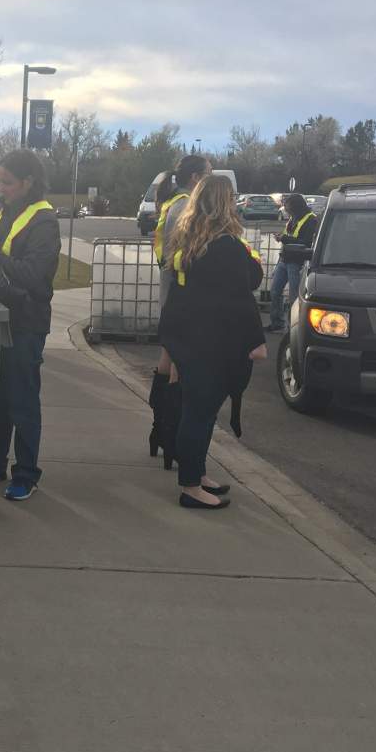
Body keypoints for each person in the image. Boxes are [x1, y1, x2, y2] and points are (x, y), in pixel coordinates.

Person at [158, 174, 267, 510]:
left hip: (189, 336)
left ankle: (198, 474)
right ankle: (190, 486)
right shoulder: (226, 246)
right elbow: (241, 296)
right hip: (212, 342)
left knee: (197, 410)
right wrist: (257, 340)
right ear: (225, 203)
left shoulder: (189, 239)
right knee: (199, 413)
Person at [0, 149, 61, 502]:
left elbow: (34, 276)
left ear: (28, 183)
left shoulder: (45, 222)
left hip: (26, 322)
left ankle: (26, 474)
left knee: (22, 399)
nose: (0, 187)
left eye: (6, 182)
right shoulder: (4, 212)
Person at [147, 155, 213, 460]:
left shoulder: (171, 203)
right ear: (196, 178)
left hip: (168, 287)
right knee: (179, 366)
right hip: (183, 291)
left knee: (167, 358)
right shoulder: (189, 206)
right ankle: (171, 435)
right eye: (208, 175)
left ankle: (159, 429)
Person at [265, 192, 318, 333]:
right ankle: (277, 323)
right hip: (285, 260)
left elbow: (306, 243)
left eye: (288, 206)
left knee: (294, 297)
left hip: (297, 263)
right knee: (275, 291)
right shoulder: (293, 218)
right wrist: (282, 238)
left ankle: (293, 329)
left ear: (296, 206)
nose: (286, 209)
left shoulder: (311, 219)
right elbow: (290, 236)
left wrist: (284, 239)